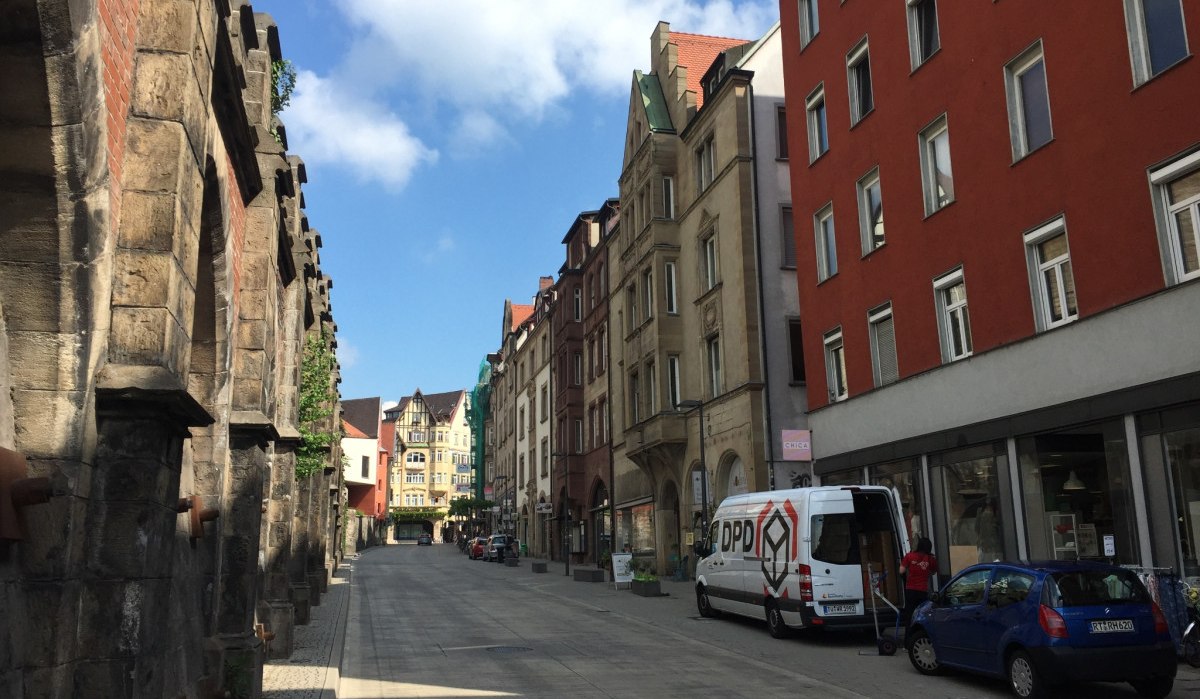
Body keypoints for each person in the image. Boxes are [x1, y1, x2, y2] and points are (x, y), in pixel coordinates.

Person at [900, 537, 937, 625]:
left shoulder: (909, 556)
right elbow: (934, 572)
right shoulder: (931, 558)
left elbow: (901, 571)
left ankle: (909, 636)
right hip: (923, 591)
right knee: (922, 614)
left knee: (910, 614)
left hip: (910, 590)